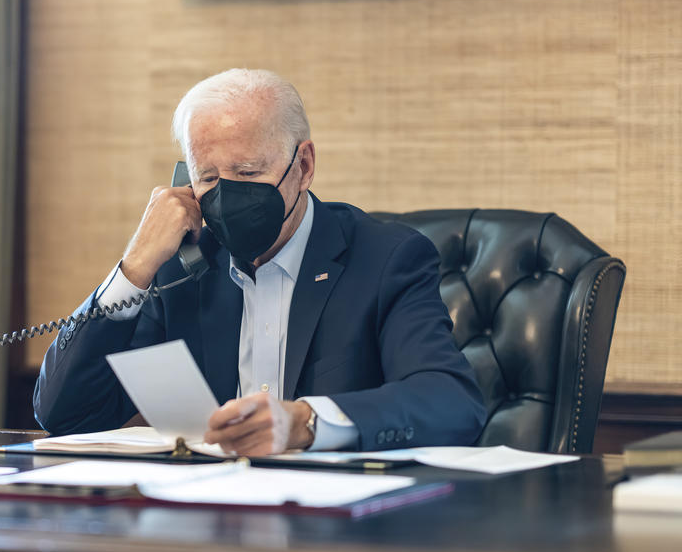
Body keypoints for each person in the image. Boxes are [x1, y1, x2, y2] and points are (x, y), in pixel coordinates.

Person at [34, 69, 485, 455]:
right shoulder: (180, 268)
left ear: (304, 166)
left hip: (336, 527)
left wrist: (305, 423)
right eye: (208, 177)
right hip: (207, 519)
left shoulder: (387, 259)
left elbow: (450, 402)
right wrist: (133, 268)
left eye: (248, 173)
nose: (228, 194)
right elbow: (67, 413)